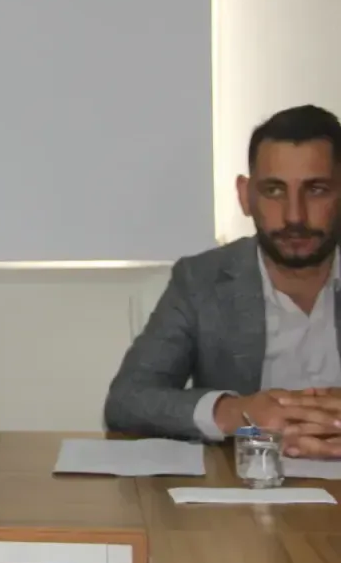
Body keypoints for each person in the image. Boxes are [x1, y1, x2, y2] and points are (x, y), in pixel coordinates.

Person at [105, 104, 341, 458]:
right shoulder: (200, 280)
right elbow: (128, 400)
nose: (295, 215)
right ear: (245, 196)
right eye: (274, 190)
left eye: (316, 189)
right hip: (245, 485)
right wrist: (235, 412)